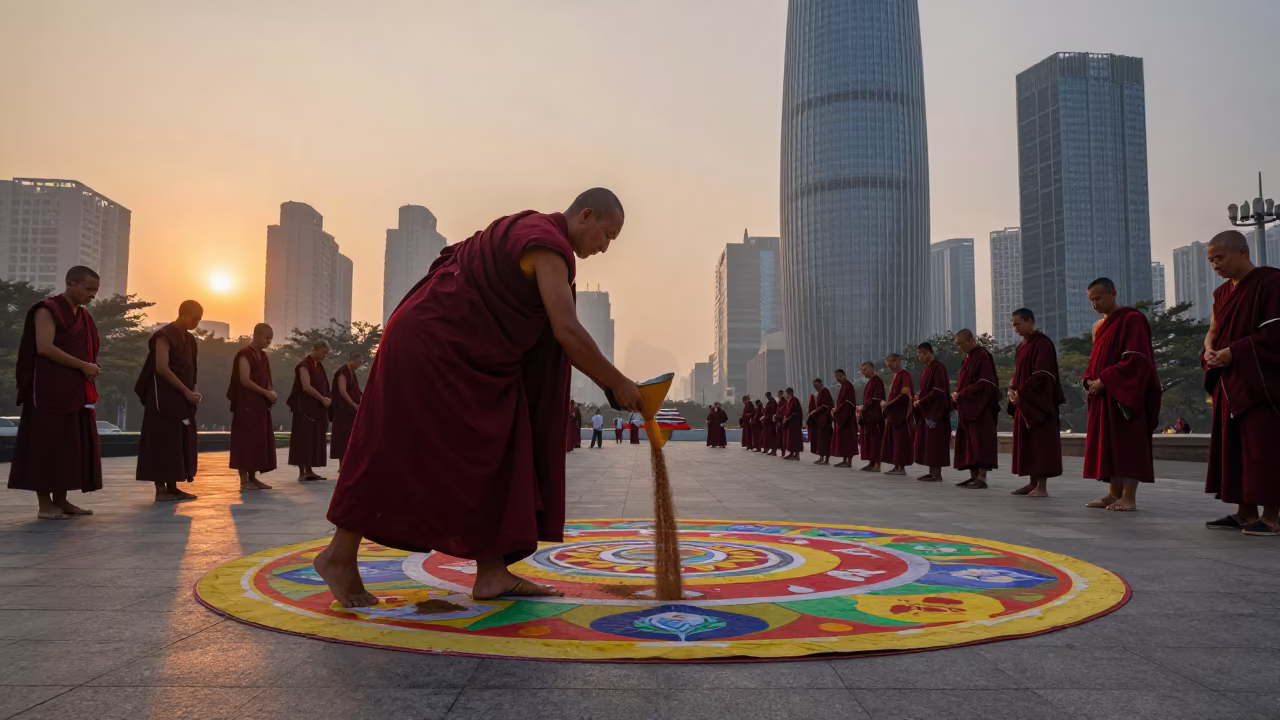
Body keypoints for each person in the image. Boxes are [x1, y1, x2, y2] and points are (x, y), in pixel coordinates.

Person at [318, 188, 641, 607]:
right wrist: (617, 382)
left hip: (459, 350)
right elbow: (567, 331)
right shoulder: (547, 245)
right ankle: (338, 557)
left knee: (501, 448)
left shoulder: (532, 232)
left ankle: (491, 573)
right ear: (586, 215)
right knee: (392, 449)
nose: (605, 246)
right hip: (436, 346)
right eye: (607, 235)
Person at [1201, 230, 1280, 536]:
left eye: (1219, 258)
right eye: (1210, 261)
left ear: (1243, 252)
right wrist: (1209, 349)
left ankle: (1273, 515)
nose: (1215, 266)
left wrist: (1234, 352)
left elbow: (1275, 335)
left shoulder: (1271, 283)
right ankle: (1245, 511)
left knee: (1265, 449)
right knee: (1234, 449)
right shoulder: (1221, 295)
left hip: (1261, 384)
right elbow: (1214, 329)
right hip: (1229, 382)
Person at [8, 266, 102, 520]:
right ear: (71, 283)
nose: (92, 295)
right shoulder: (47, 310)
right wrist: (83, 366)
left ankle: (61, 500)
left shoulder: (83, 317)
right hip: (48, 391)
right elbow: (45, 348)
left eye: (95, 291)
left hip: (74, 390)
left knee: (68, 447)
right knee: (46, 446)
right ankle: (44, 504)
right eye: (88, 289)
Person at [1082, 277, 1161, 512]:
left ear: (1113, 293)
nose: (1094, 303)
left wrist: (1105, 380)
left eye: (1098, 298)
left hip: (1125, 394)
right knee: (1110, 445)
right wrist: (1089, 379)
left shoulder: (1132, 319)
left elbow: (1136, 359)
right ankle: (1112, 494)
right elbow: (1094, 361)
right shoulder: (1099, 327)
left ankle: (1129, 497)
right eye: (1091, 300)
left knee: (1128, 444)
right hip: (1103, 394)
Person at [135, 300, 203, 502]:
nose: (196, 323)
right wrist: (185, 391)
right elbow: (162, 368)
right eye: (194, 318)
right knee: (162, 441)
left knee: (178, 440)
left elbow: (192, 368)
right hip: (162, 397)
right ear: (183, 314)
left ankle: (173, 487)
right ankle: (161, 490)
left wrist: (194, 389)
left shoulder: (190, 340)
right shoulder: (164, 336)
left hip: (182, 397)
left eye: (199, 320)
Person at [1008, 308, 1064, 498]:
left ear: (1030, 321)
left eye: (1018, 324)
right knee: (1028, 445)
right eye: (1013, 325)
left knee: (1040, 445)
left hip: (1039, 404)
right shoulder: (1022, 345)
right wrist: (1012, 389)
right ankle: (1032, 482)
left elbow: (1043, 375)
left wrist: (1021, 392)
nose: (1015, 328)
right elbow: (1018, 374)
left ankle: (1041, 486)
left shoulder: (1043, 344)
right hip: (1024, 404)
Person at [229, 324, 277, 490]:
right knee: (245, 442)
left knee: (257, 441)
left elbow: (267, 378)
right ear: (256, 335)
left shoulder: (263, 356)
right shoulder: (245, 354)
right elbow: (244, 379)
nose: (268, 342)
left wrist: (270, 392)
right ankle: (244, 481)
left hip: (260, 406)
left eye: (271, 339)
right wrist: (265, 392)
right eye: (266, 338)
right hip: (246, 405)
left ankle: (253, 478)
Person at [952, 329, 1000, 489]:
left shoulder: (982, 356)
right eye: (957, 345)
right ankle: (973, 477)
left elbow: (986, 383)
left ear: (971, 340)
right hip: (967, 407)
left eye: (961, 344)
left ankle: (981, 477)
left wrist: (962, 394)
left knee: (981, 442)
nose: (959, 348)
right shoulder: (966, 360)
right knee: (969, 443)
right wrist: (957, 395)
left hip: (980, 407)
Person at [288, 340, 331, 481]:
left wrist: (327, 398)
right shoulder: (304, 365)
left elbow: (323, 385)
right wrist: (322, 398)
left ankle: (309, 470)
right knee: (303, 438)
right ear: (316, 350)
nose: (325, 356)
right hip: (304, 408)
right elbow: (306, 386)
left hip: (315, 409)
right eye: (324, 352)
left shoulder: (318, 366)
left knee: (313, 438)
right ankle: (302, 472)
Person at [912, 343, 952, 482]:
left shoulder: (938, 367)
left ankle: (937, 474)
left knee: (935, 443)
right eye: (919, 354)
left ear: (930, 352)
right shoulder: (927, 369)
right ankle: (931, 471)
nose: (921, 356)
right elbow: (925, 390)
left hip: (936, 412)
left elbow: (939, 391)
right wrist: (918, 397)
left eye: (923, 353)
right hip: (926, 411)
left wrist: (922, 401)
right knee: (928, 443)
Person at [880, 354, 914, 476]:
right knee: (894, 441)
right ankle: (896, 466)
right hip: (893, 415)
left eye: (889, 364)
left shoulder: (904, 374)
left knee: (900, 441)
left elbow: (905, 394)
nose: (888, 368)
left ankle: (901, 467)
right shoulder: (896, 376)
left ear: (896, 362)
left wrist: (888, 405)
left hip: (900, 415)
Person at [330, 352, 364, 466]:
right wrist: (354, 404)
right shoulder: (343, 372)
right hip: (343, 410)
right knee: (343, 437)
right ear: (352, 361)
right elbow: (343, 392)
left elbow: (356, 391)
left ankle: (349, 463)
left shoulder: (352, 373)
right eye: (359, 362)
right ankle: (342, 465)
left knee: (351, 436)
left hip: (350, 412)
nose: (360, 364)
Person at [858, 362, 885, 472]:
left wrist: (865, 408)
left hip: (875, 417)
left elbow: (876, 399)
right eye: (862, 370)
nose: (863, 372)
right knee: (870, 441)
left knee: (876, 441)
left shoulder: (877, 381)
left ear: (872, 368)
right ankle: (871, 462)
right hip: (868, 417)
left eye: (865, 369)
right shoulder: (869, 382)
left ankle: (877, 464)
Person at [830, 369, 858, 468]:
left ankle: (848, 461)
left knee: (847, 439)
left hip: (847, 417)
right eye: (836, 377)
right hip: (842, 415)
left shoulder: (848, 386)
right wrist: (836, 409)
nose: (837, 379)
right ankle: (844, 460)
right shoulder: (843, 387)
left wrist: (837, 412)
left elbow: (848, 403)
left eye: (838, 377)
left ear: (843, 376)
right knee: (843, 440)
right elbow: (841, 403)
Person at [809, 378, 834, 465]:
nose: (816, 388)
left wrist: (815, 411)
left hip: (826, 420)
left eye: (816, 385)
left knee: (826, 440)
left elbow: (825, 406)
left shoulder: (825, 391)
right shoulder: (819, 393)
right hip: (820, 420)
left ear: (820, 383)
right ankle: (821, 457)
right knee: (820, 440)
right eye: (814, 386)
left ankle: (826, 459)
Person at [782, 387, 803, 460]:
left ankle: (797, 454)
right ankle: (791, 453)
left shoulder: (795, 400)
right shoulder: (789, 400)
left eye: (787, 393)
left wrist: (787, 418)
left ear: (790, 393)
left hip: (795, 422)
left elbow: (794, 412)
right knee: (790, 438)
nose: (786, 395)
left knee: (795, 438)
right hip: (790, 422)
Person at [762, 392, 779, 457]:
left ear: (770, 396)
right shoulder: (769, 402)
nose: (767, 398)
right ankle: (772, 450)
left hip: (771, 422)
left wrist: (767, 416)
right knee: (770, 437)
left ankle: (774, 451)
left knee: (773, 436)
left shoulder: (773, 402)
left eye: (768, 396)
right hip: (767, 422)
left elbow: (774, 413)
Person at [774, 388, 788, 458]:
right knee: (779, 438)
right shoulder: (781, 401)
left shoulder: (784, 402)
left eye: (780, 394)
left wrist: (779, 421)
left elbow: (783, 412)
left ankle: (783, 452)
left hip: (781, 422)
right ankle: (779, 451)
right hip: (779, 421)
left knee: (782, 438)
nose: (779, 395)